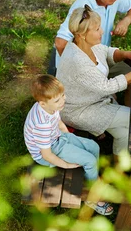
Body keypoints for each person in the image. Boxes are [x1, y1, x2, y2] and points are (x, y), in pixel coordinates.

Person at [56, 5, 131, 156]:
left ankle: (119, 164)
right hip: (79, 109)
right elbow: (107, 87)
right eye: (97, 29)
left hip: (92, 97)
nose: (102, 31)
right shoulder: (77, 61)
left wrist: (127, 54)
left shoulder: (85, 44)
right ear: (81, 35)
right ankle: (120, 167)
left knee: (125, 128)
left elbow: (106, 52)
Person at [23, 74, 114, 216]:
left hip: (58, 138)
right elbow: (46, 154)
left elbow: (58, 122)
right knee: (89, 159)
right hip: (49, 152)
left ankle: (91, 176)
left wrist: (67, 135)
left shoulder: (49, 107)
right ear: (43, 104)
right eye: (58, 100)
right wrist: (64, 165)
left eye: (63, 95)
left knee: (93, 147)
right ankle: (93, 197)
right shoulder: (42, 124)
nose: (63, 101)